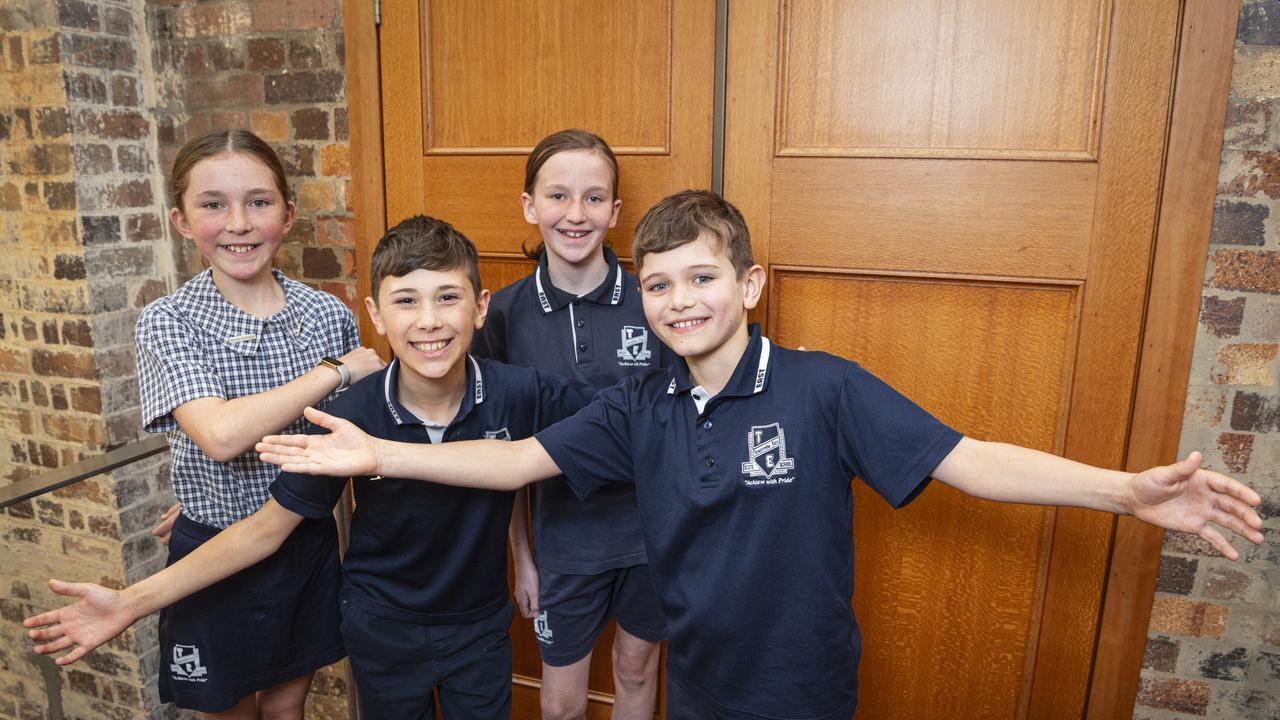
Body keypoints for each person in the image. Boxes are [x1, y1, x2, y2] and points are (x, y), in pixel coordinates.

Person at [249, 190, 1265, 720]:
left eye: (700, 279)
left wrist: (1124, 491)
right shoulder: (636, 403)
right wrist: (378, 457)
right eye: (657, 285)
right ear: (639, 299)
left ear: (747, 284)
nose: (679, 301)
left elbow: (970, 459)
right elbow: (511, 465)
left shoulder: (823, 386)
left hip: (799, 686)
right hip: (695, 681)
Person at [26, 216, 595, 719]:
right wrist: (130, 600)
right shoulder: (348, 412)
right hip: (382, 628)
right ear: (374, 313)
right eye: (405, 300)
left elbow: (622, 419)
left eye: (448, 298)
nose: (429, 320)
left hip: (481, 627)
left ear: (481, 306)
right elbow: (263, 531)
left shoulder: (521, 393)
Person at [106, 129, 385, 719]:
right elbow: (221, 436)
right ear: (182, 221)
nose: (238, 222)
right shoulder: (168, 322)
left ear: (287, 215)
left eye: (258, 202)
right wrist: (336, 370)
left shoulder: (325, 315)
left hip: (303, 543)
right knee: (227, 711)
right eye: (213, 205)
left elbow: (343, 444)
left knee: (287, 708)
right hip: (212, 551)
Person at [472, 129, 672, 719]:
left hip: (650, 543)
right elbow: (497, 448)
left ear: (614, 210)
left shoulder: (657, 300)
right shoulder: (502, 315)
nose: (575, 214)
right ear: (531, 206)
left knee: (637, 673)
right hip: (562, 549)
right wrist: (523, 558)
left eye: (593, 197)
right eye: (558, 196)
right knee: (561, 706)